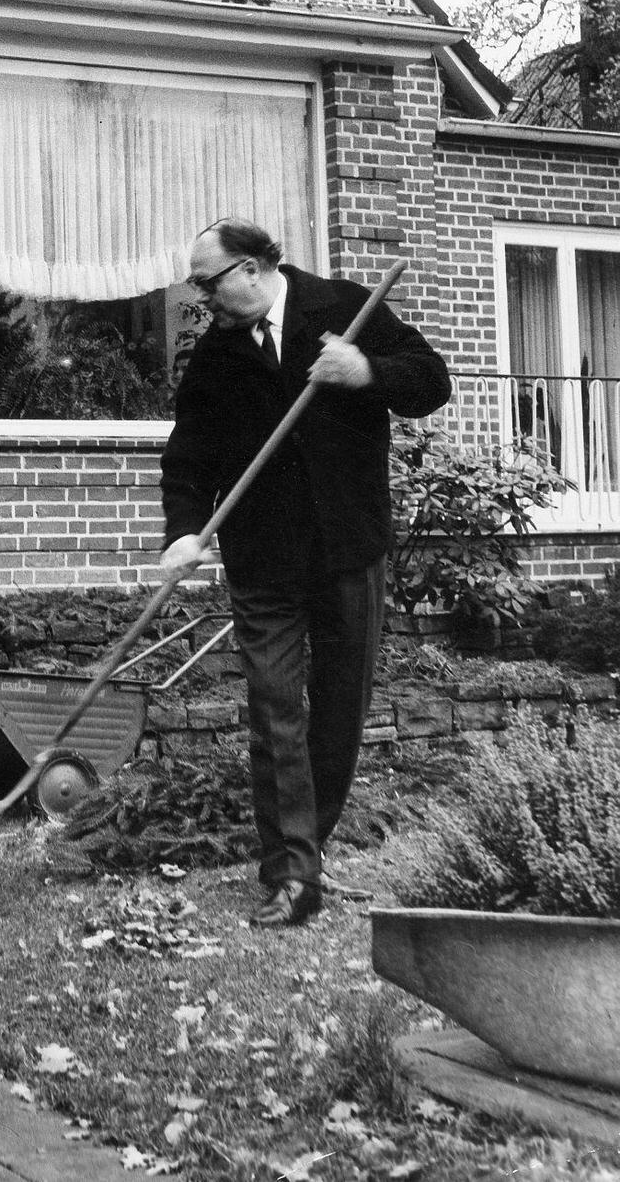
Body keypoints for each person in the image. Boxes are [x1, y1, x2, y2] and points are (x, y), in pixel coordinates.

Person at [158, 218, 451, 929]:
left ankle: (306, 845)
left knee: (341, 703)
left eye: (210, 281)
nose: (204, 298)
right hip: (263, 559)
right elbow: (188, 457)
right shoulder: (216, 358)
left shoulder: (344, 309)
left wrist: (366, 371)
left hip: (348, 546)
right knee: (273, 703)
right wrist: (184, 534)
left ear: (254, 268)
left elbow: (431, 381)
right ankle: (291, 872)